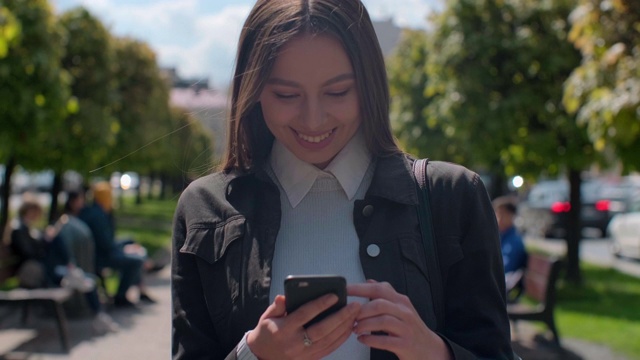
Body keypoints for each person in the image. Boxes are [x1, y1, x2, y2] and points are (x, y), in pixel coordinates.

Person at [172, 1, 516, 359]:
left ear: (370, 85)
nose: (314, 119)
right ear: (253, 90)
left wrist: (432, 351)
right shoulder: (204, 209)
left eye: (338, 92)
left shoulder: (453, 197)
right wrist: (253, 354)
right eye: (286, 95)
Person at [9, 196, 119, 334]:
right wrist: (45, 240)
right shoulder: (19, 229)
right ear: (28, 211)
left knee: (87, 280)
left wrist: (45, 239)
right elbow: (29, 253)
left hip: (44, 268)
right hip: (32, 271)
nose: (37, 216)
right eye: (35, 212)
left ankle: (71, 272)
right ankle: (71, 271)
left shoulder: (26, 228)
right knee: (57, 242)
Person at [79, 182, 155, 308]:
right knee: (136, 260)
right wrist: (124, 249)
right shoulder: (98, 215)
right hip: (101, 256)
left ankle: (143, 281)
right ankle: (121, 296)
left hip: (99, 251)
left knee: (131, 241)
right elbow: (106, 244)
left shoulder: (96, 211)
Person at [493, 196, 528, 298]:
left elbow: (505, 269)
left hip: (503, 288)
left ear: (511, 216)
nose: (497, 218)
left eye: (501, 214)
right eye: (496, 213)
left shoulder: (514, 241)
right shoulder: (501, 237)